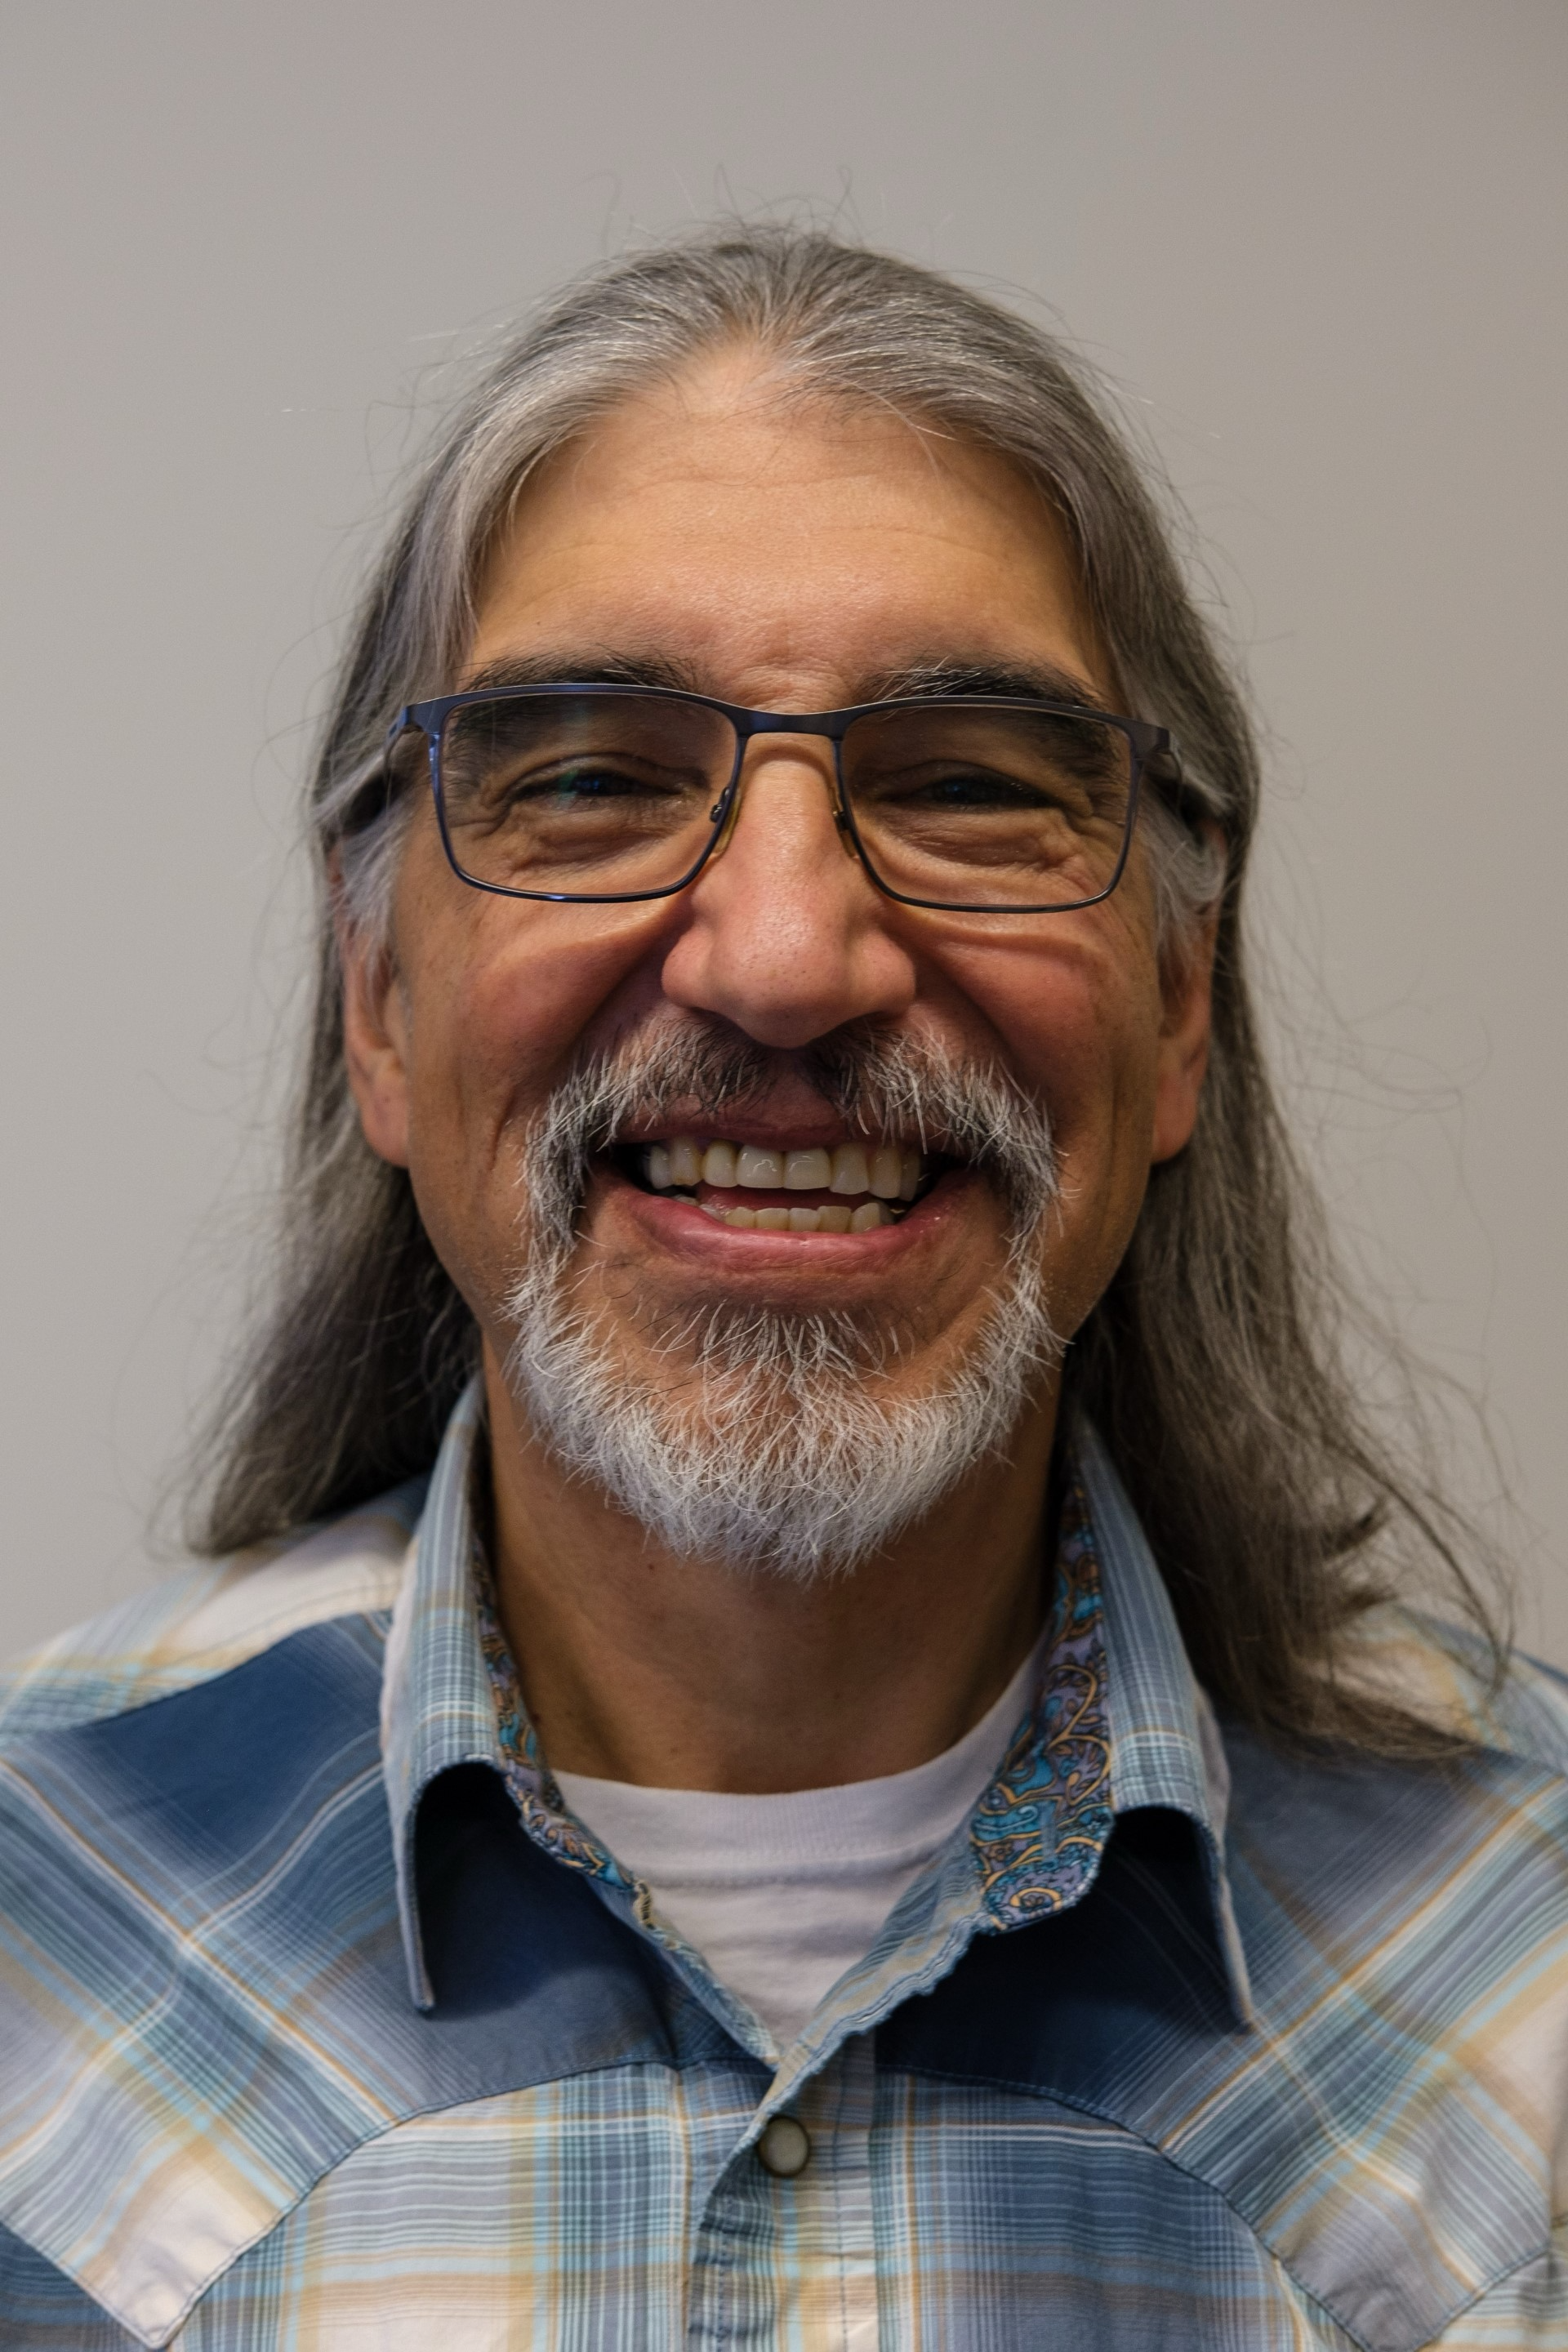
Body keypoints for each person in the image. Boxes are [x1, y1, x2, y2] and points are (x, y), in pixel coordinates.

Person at [1, 225, 1563, 2351]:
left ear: (1181, 1002)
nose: (786, 957)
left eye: (972, 789)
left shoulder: (1530, 1980)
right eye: (592, 780)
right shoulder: (32, 1938)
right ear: (377, 1001)